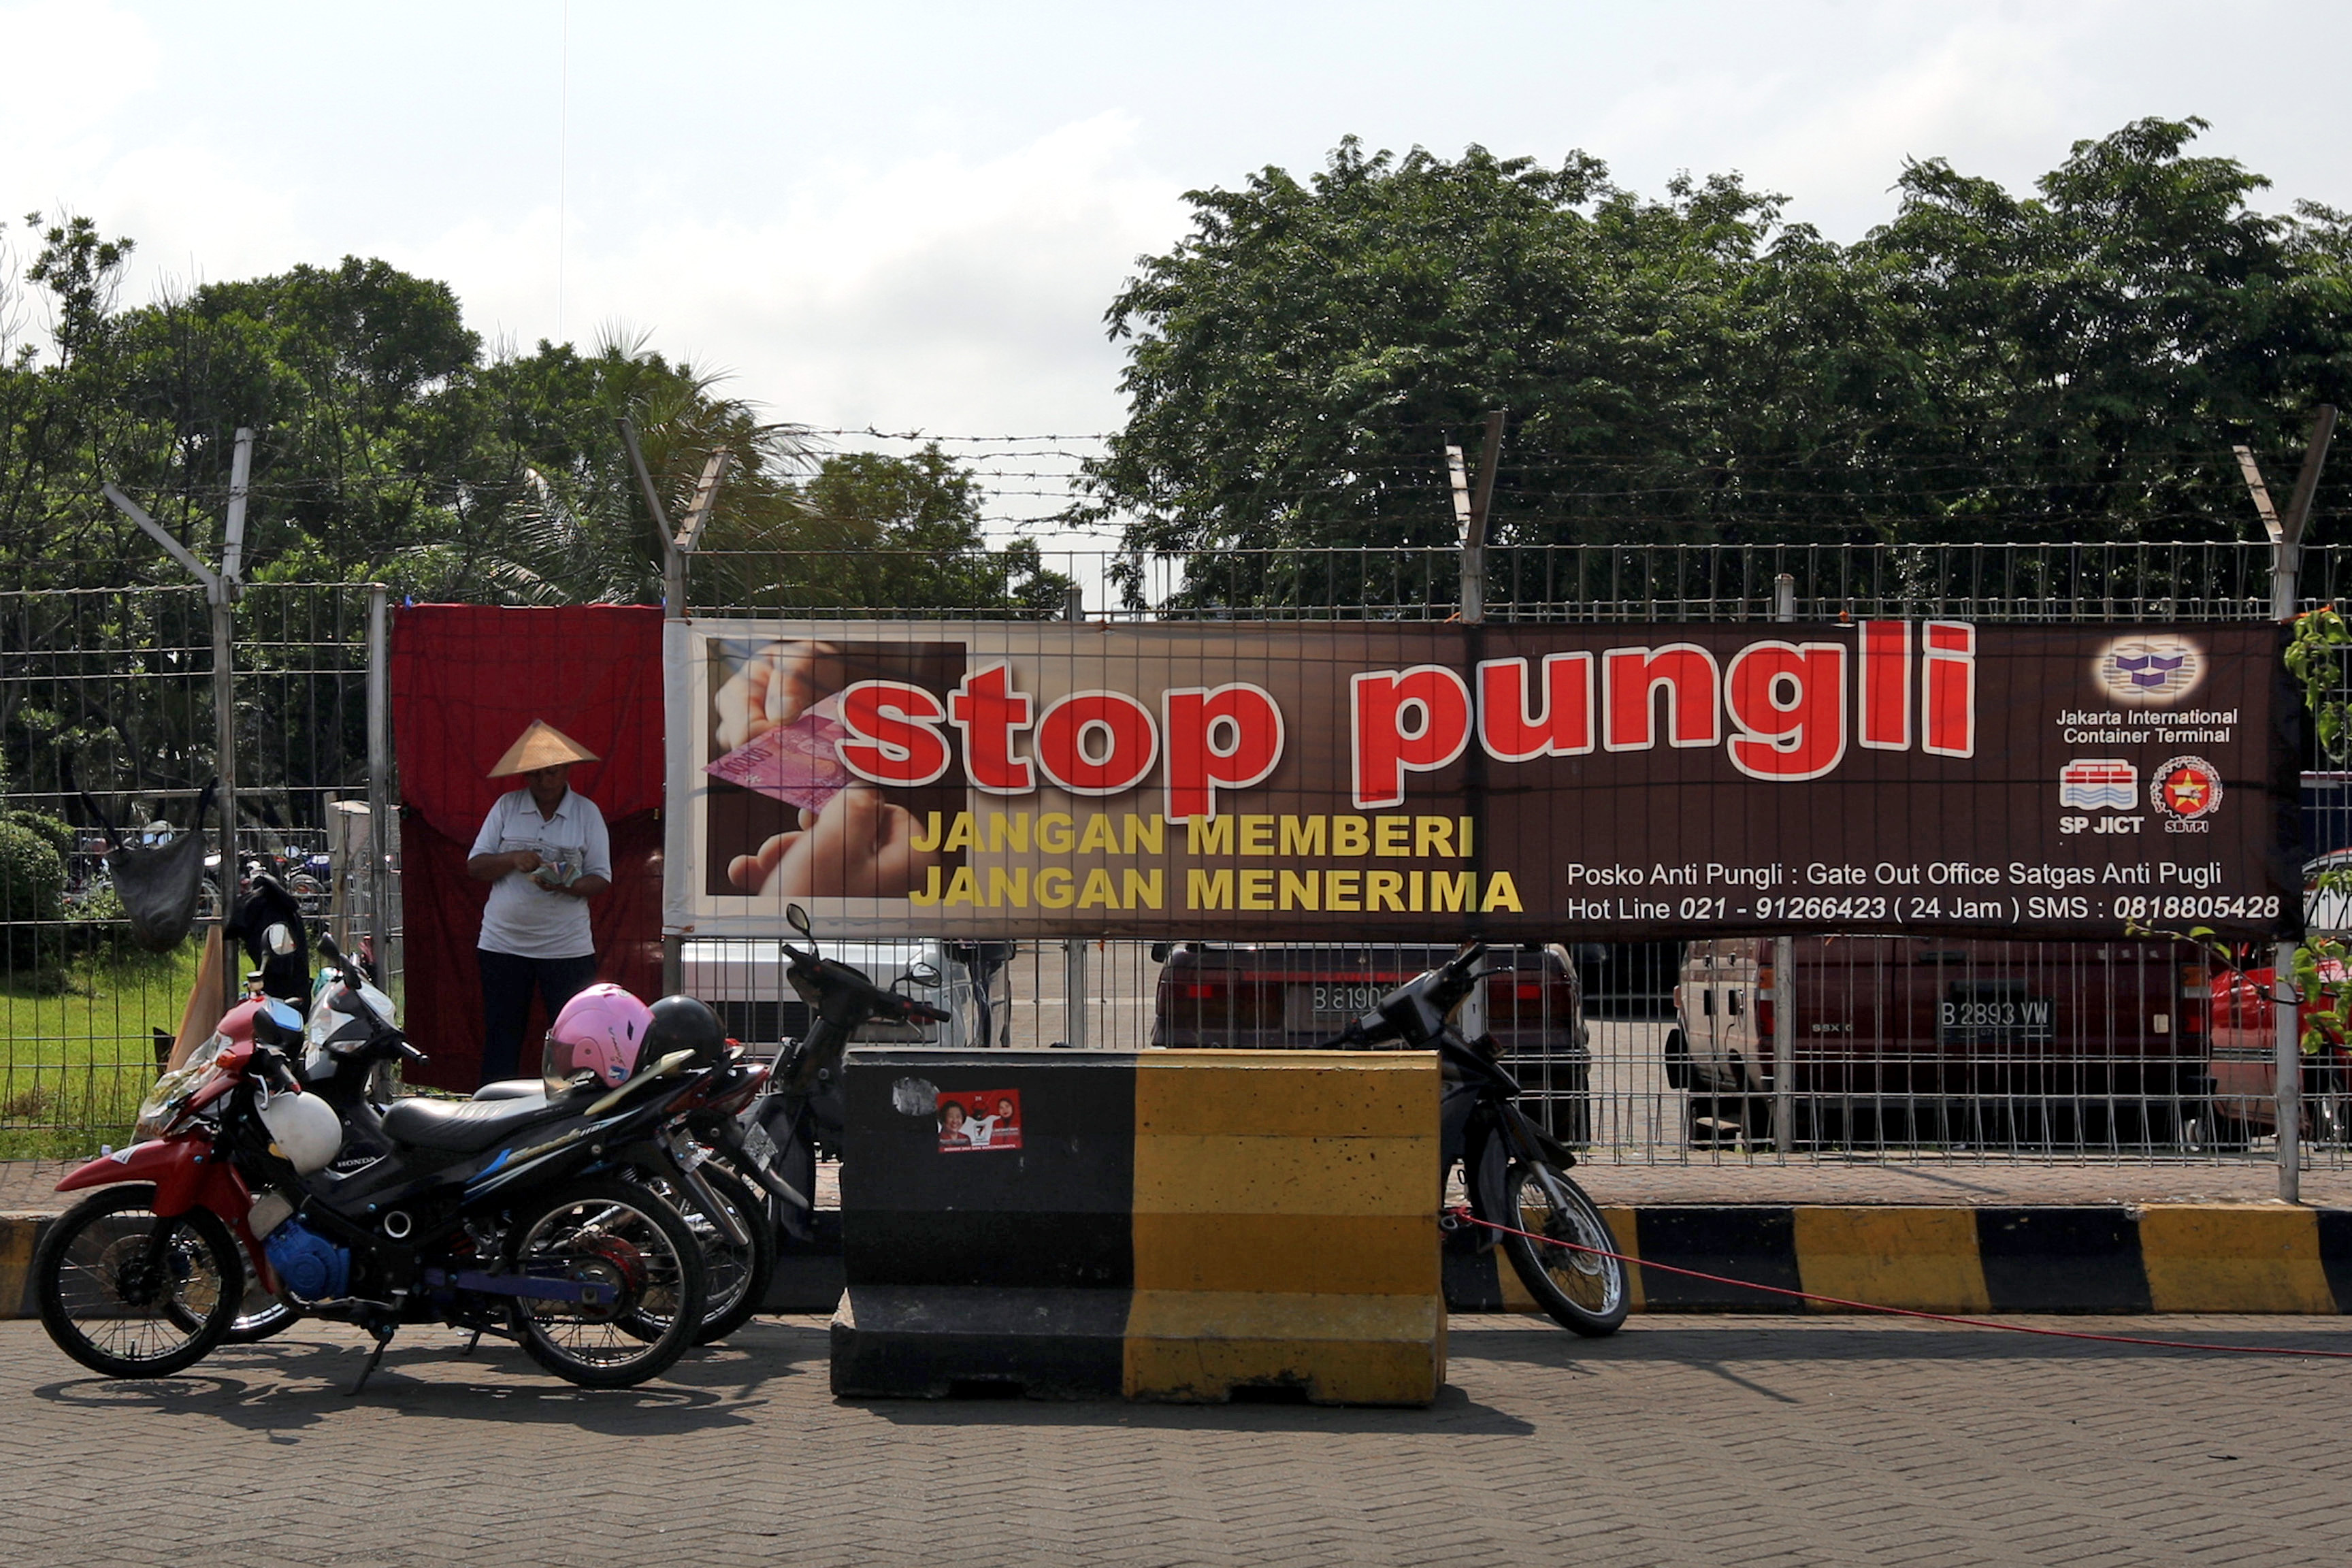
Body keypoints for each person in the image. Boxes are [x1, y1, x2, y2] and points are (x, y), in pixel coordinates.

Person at [467, 720, 612, 1084]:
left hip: (567, 947)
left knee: (576, 1039)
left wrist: (568, 885)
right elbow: (476, 866)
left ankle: (574, 1116)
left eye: (552, 773)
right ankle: (493, 1114)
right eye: (536, 775)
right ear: (525, 777)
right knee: (502, 1036)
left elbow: (601, 878)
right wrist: (512, 858)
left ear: (566, 771)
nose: (545, 782)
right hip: (503, 943)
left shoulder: (586, 813)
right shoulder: (506, 807)